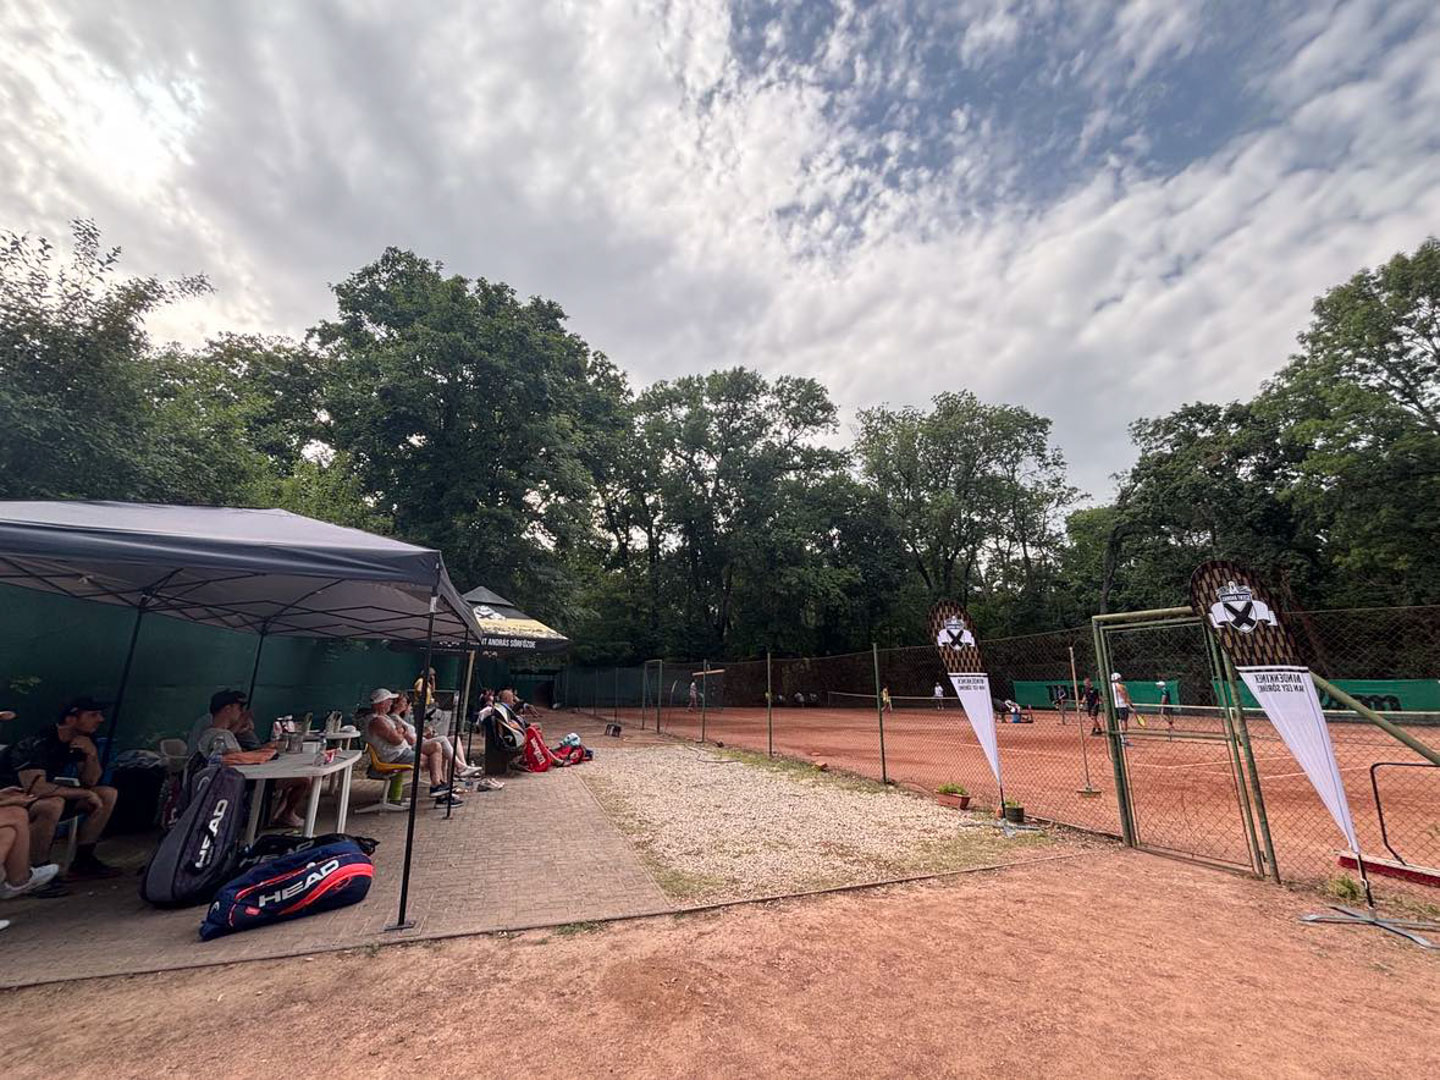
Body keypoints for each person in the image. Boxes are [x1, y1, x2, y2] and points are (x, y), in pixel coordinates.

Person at [0, 697, 120, 879]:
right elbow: (36, 788)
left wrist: (92, 755)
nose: (100, 719)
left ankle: (83, 861)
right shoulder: (36, 742)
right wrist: (84, 793)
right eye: (93, 715)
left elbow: (90, 781)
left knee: (106, 795)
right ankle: (38, 870)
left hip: (32, 796)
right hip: (11, 798)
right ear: (71, 719)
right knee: (52, 805)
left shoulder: (82, 740)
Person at [193, 698, 310, 828]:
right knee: (303, 780)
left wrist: (261, 750)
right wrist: (263, 754)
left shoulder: (212, 733)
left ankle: (282, 814)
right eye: (239, 708)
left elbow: (238, 755)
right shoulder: (221, 736)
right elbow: (235, 758)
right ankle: (286, 815)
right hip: (245, 779)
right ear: (228, 708)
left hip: (231, 778)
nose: (241, 713)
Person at [365, 688, 460, 805]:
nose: (391, 703)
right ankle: (439, 789)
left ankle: (439, 787)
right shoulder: (377, 721)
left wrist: (400, 731)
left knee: (436, 748)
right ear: (381, 703)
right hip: (395, 756)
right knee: (434, 758)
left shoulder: (384, 717)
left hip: (402, 752)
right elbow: (398, 740)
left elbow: (399, 734)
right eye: (388, 700)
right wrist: (401, 731)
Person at [1111, 673, 1133, 745]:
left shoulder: (1110, 686)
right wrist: (1129, 705)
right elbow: (1124, 695)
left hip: (1114, 706)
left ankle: (1119, 739)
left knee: (1118, 723)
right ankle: (1124, 739)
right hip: (1122, 706)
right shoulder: (1120, 686)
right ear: (1118, 679)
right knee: (1124, 722)